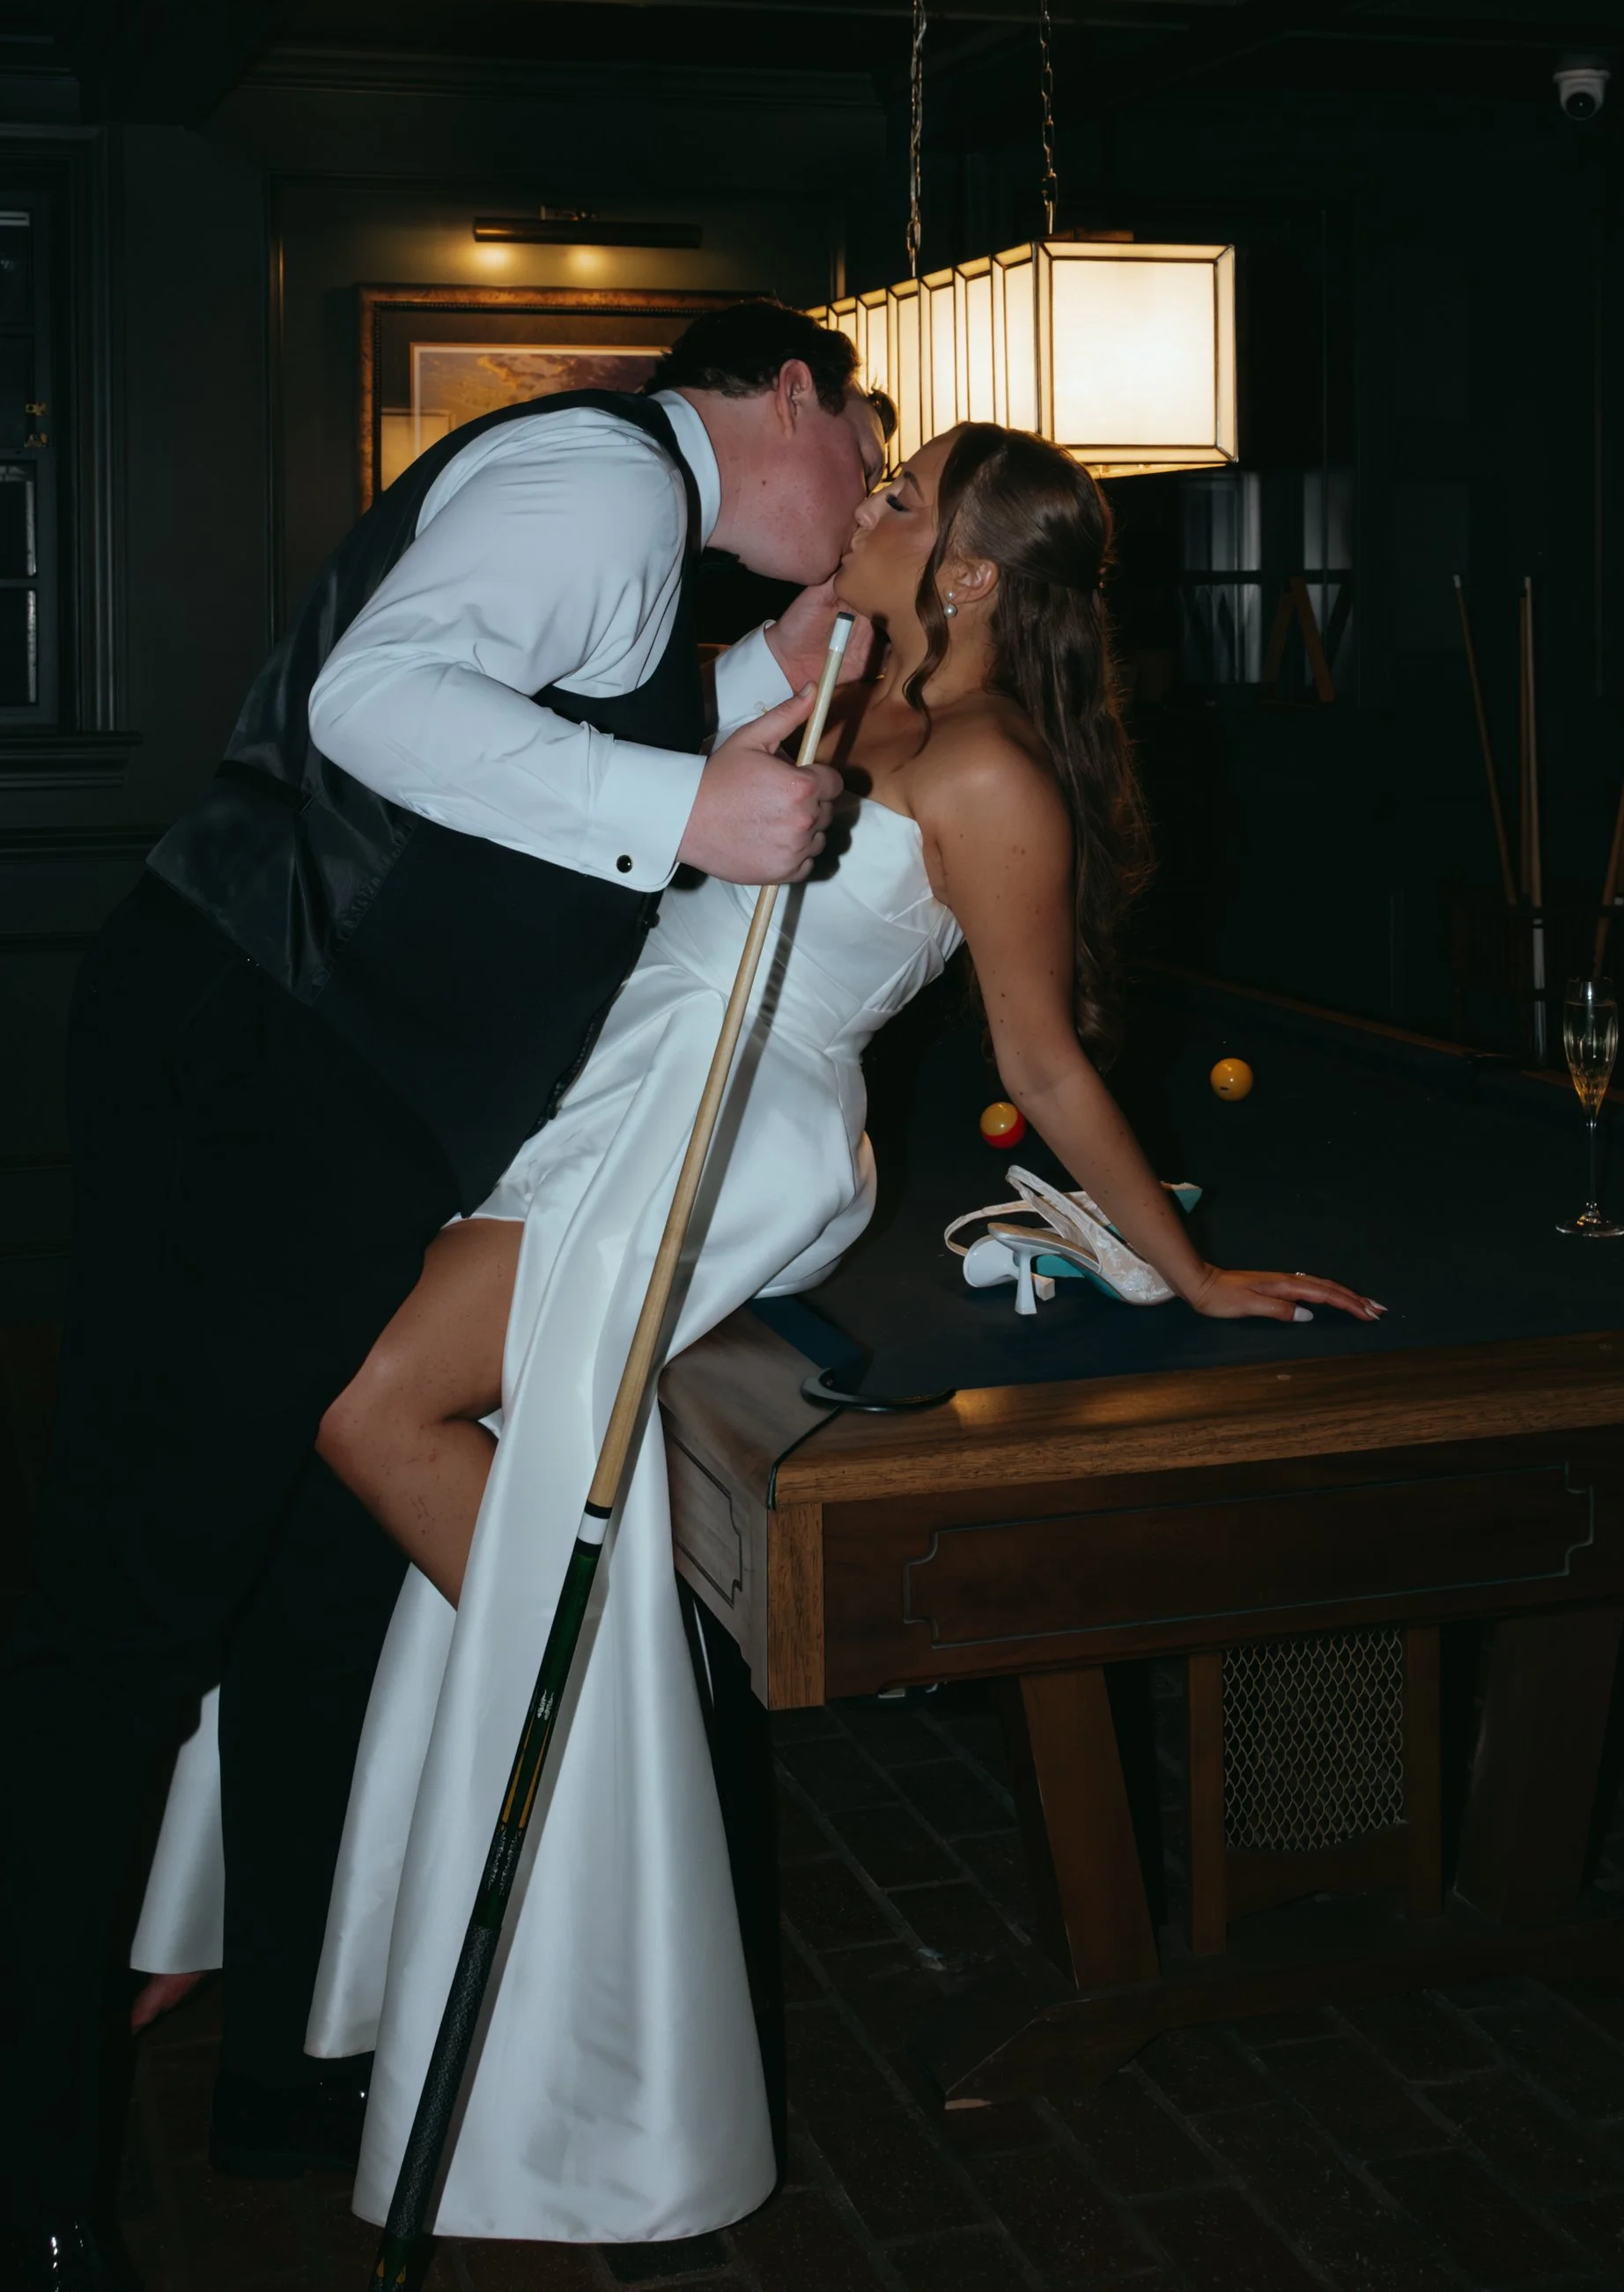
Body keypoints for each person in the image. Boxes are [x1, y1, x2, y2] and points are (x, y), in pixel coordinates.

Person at [131, 421, 1381, 2247]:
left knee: (371, 1410)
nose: (862, 516)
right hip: (616, 1082)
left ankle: (592, 1735)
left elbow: (1037, 1056)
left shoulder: (987, 778)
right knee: (431, 1425)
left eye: (898, 503)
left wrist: (1181, 1270)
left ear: (964, 571)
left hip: (739, 1126)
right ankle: (581, 1709)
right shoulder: (833, 689)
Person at [0, 303, 888, 2292]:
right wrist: (697, 810)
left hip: (317, 1091)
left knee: (308, 1587)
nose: (874, 494)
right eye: (870, 449)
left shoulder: (634, 543)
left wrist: (741, 682)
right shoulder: (605, 475)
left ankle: (283, 2080)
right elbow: (385, 704)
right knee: (127, 1615)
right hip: (260, 1070)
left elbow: (545, 727)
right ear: (788, 387)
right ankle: (13, 2186)